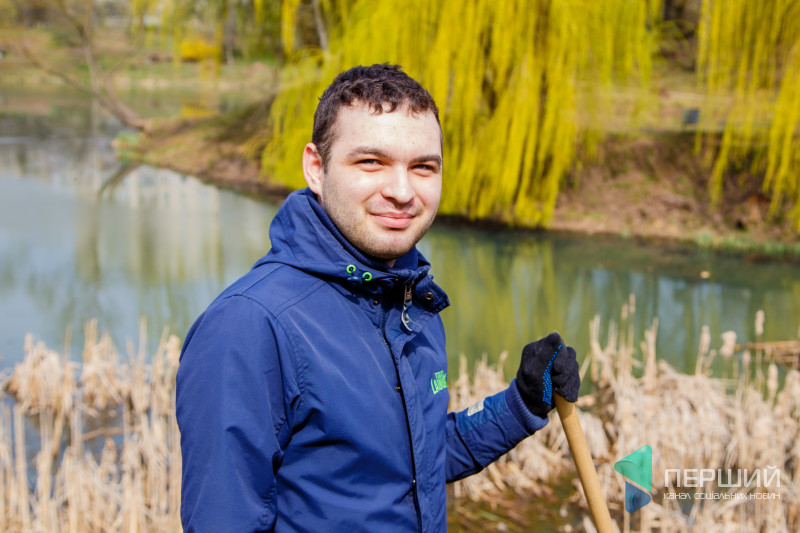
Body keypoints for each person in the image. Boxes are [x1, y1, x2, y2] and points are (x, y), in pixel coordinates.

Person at [176, 63, 580, 532]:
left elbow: (412, 463)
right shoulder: (250, 326)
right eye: (371, 162)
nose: (402, 191)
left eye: (423, 167)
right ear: (316, 167)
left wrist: (519, 404)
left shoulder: (410, 298)